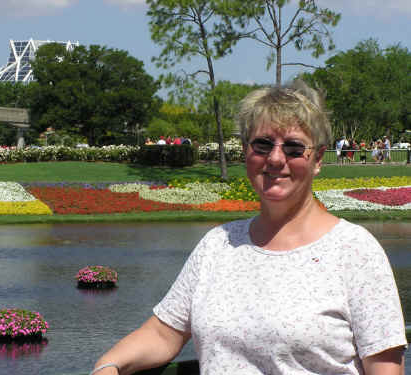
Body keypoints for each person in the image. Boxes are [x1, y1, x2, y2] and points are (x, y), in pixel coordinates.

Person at [90, 81, 407, 375]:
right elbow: (163, 334)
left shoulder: (354, 250)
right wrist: (108, 365)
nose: (276, 158)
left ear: (318, 158)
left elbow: (384, 367)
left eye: (294, 148)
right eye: (262, 144)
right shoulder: (218, 245)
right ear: (245, 151)